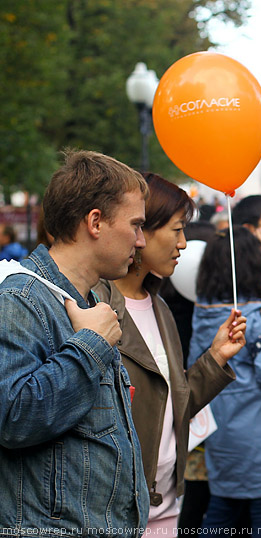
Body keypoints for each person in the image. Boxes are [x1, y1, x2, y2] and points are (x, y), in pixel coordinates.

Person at [0, 150, 150, 534]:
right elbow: (12, 419)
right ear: (95, 222)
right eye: (135, 225)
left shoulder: (88, 301)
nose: (141, 240)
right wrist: (90, 345)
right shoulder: (20, 299)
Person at [92, 173, 246, 537]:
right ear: (142, 230)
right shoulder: (93, 306)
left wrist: (214, 360)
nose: (183, 244)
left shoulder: (159, 308)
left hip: (165, 504)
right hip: (115, 511)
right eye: (177, 230)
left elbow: (169, 405)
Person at [189, 227, 261, 534]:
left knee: (221, 514)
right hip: (260, 434)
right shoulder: (255, 315)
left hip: (221, 433)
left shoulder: (203, 312)